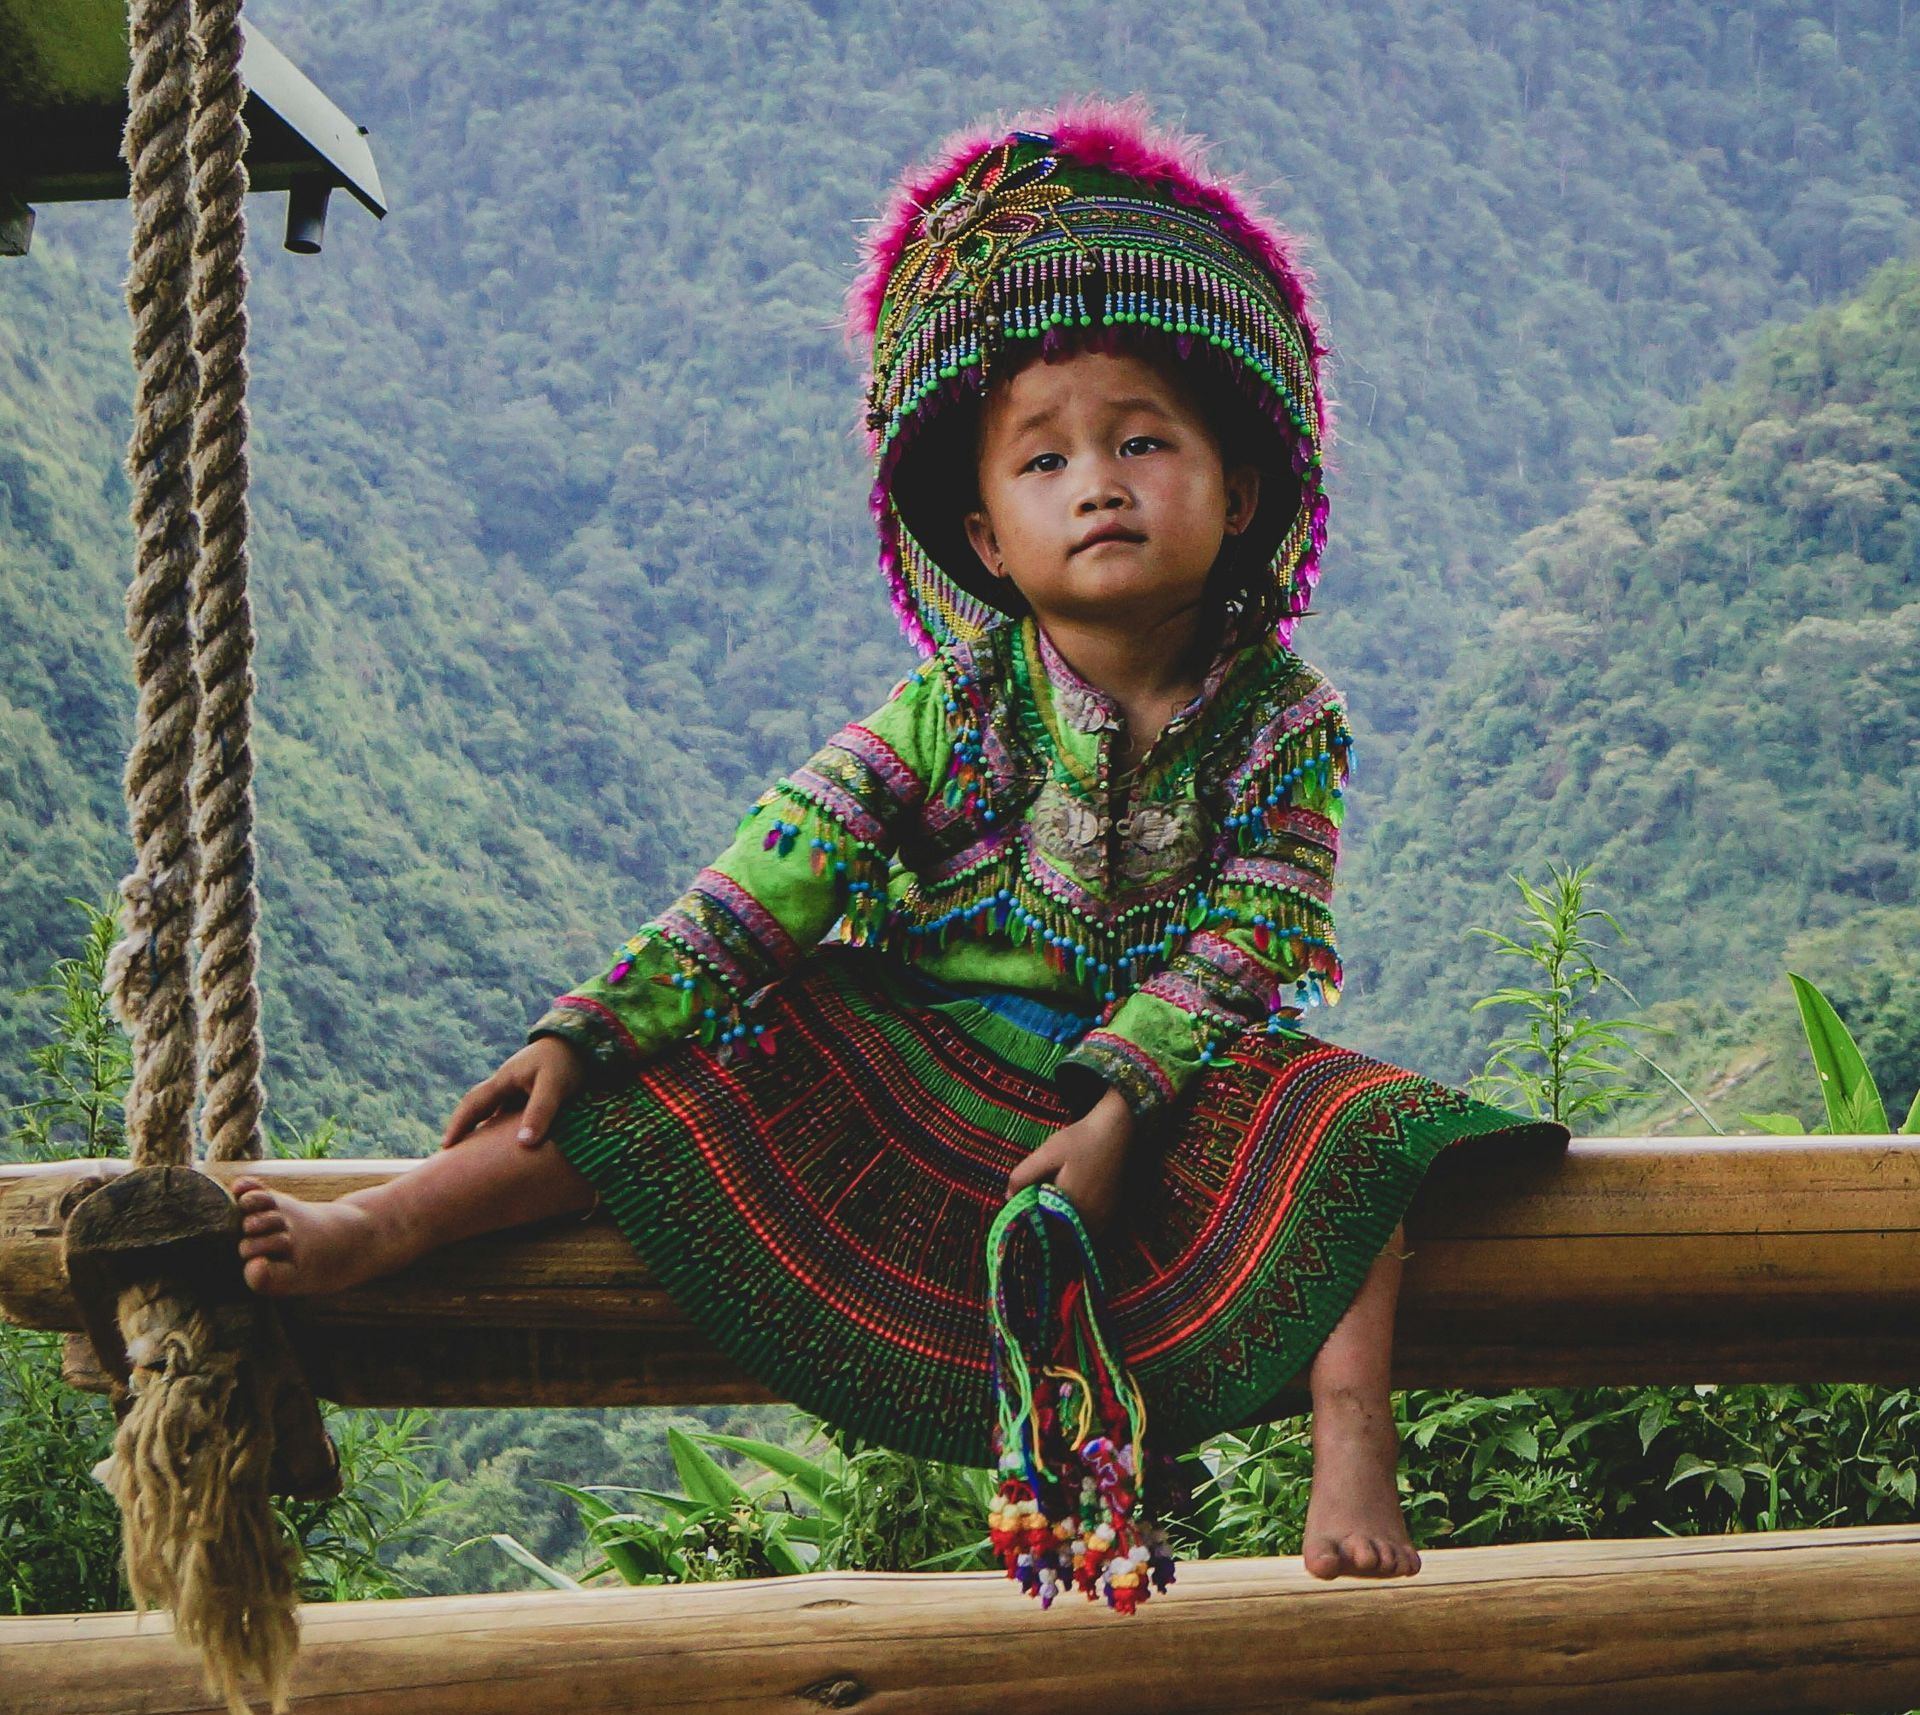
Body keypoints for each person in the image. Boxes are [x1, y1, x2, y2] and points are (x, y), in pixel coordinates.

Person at [238, 108, 1554, 1595]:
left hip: (1176, 1083)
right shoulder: (953, 707)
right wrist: (598, 1023)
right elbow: (784, 864)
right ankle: (384, 1224)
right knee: (704, 1058)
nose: (1098, 483)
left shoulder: (1284, 717)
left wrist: (1121, 1099)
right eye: (1044, 462)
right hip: (927, 1056)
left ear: (1237, 492)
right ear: (988, 538)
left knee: (1354, 1130)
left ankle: (1349, 1440)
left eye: (1142, 442)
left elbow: (1256, 933)